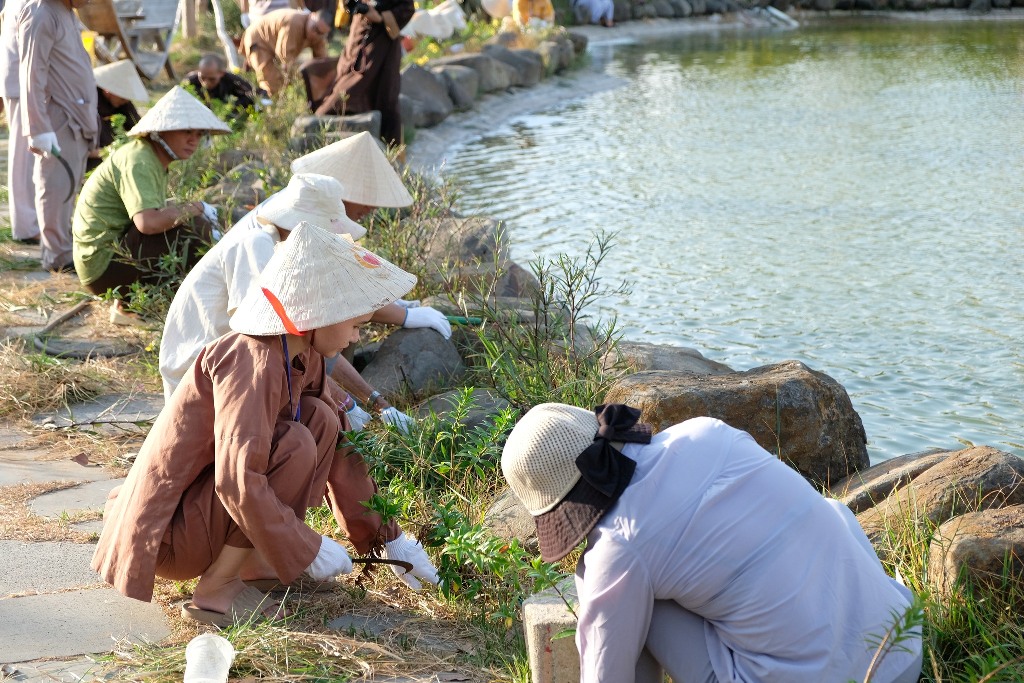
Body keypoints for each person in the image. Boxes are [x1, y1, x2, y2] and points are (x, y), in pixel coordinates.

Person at [92, 222, 441, 627]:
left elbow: (342, 445)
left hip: (202, 519)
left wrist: (387, 539)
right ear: (318, 315)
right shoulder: (251, 361)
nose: (356, 337)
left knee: (322, 418)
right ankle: (216, 590)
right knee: (294, 441)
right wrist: (305, 544)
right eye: (356, 325)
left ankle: (259, 563)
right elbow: (237, 479)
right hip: (170, 535)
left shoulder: (298, 353)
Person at [500, 403, 924, 683]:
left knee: (631, 601)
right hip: (901, 653)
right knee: (830, 511)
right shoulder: (706, 433)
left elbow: (605, 673)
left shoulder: (619, 545)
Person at [158, 170, 451, 433]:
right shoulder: (257, 245)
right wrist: (347, 403)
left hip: (234, 362)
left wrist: (379, 404)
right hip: (198, 371)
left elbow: (316, 345)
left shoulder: (286, 255)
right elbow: (264, 341)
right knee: (312, 414)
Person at [72, 86, 230, 324]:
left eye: (199, 133)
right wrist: (196, 208)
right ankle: (162, 308)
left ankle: (131, 303)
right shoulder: (140, 160)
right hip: (101, 268)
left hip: (105, 261)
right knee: (192, 229)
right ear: (161, 131)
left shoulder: (150, 157)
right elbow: (148, 223)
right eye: (186, 131)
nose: (193, 140)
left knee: (186, 217)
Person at [17, 0, 98, 272]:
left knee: (69, 187)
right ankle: (57, 257)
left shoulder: (65, 11)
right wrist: (38, 127)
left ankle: (64, 247)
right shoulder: (41, 12)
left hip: (77, 114)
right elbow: (31, 74)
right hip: (58, 116)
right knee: (55, 187)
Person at [313, 0, 415, 147]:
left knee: (386, 94)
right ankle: (323, 135)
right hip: (359, 35)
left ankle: (391, 152)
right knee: (345, 81)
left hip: (383, 41)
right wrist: (356, 6)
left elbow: (407, 8)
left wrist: (380, 16)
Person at [0, 0, 40, 245]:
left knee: (28, 156)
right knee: (23, 157)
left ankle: (31, 221)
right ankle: (26, 225)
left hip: (22, 81)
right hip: (22, 83)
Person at [241, 8, 329, 98]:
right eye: (314, 29)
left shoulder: (319, 35)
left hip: (273, 44)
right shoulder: (294, 23)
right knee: (271, 83)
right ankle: (266, 106)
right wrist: (301, 77)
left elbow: (322, 61)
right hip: (259, 40)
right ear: (312, 16)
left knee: (285, 81)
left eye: (320, 33)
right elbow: (285, 56)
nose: (315, 34)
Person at [88, 60, 146, 172]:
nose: (125, 101)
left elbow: (138, 127)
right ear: (108, 90)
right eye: (123, 97)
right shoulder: (90, 101)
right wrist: (109, 151)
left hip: (115, 160)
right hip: (89, 161)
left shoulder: (123, 103)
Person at [182, 53, 257, 124]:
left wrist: (232, 108)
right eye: (203, 77)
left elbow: (252, 94)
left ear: (222, 73)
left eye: (211, 79)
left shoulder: (231, 80)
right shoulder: (189, 82)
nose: (206, 83)